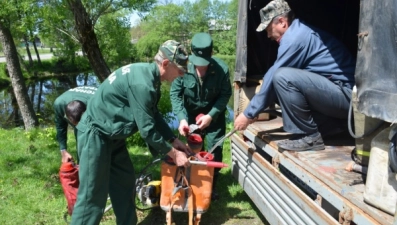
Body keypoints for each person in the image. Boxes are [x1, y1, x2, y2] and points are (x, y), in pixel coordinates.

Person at [71, 40, 191, 225]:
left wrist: (173, 139)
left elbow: (153, 113)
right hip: (95, 136)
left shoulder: (149, 76)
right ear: (166, 64)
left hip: (113, 138)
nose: (181, 74)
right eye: (180, 70)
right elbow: (148, 131)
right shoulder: (142, 84)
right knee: (92, 197)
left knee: (124, 186)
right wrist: (175, 155)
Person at [234, 0, 356, 151]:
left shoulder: (295, 38)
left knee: (283, 77)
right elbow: (272, 79)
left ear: (282, 22)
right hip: (339, 96)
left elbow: (273, 76)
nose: (268, 35)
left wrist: (248, 114)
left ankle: (310, 138)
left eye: (268, 29)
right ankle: (331, 126)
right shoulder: (299, 33)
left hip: (347, 97)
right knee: (278, 85)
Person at [170, 32, 232, 200]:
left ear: (211, 53)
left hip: (214, 118)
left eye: (204, 64)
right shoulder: (182, 68)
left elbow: (226, 94)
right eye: (198, 63)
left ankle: (212, 184)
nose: (200, 67)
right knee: (191, 151)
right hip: (190, 118)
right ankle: (192, 181)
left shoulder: (222, 69)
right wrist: (182, 118)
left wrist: (211, 115)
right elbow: (175, 95)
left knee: (215, 151)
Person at [54, 86, 97, 163]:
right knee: (82, 142)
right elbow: (60, 127)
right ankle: (82, 166)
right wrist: (63, 150)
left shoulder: (97, 105)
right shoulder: (59, 105)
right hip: (81, 101)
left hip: (95, 104)